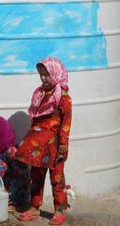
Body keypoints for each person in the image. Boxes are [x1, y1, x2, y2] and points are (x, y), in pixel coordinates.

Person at [15, 57, 72, 225]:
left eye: (46, 75)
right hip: (38, 144)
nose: (43, 78)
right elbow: (36, 118)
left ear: (55, 73)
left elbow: (66, 121)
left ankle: (60, 210)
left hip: (55, 144)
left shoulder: (63, 96)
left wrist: (63, 143)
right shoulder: (40, 94)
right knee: (36, 176)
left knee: (57, 177)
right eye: (41, 75)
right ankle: (34, 208)